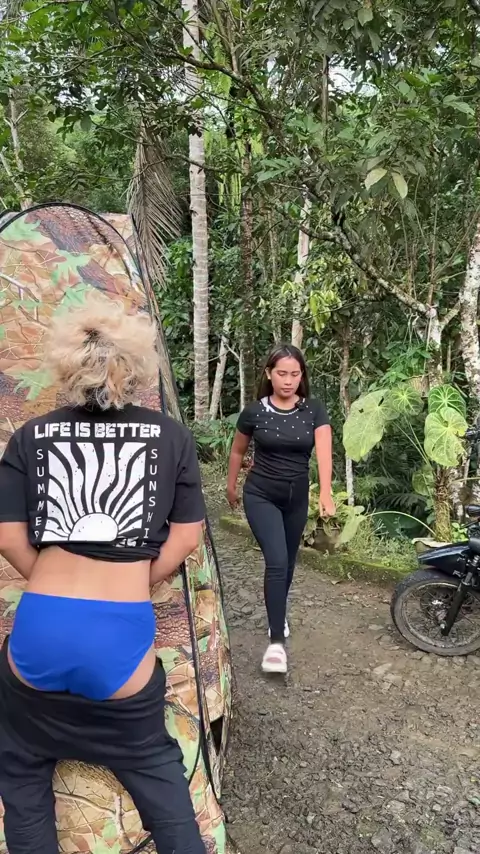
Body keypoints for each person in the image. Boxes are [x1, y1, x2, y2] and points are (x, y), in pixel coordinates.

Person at [0, 294, 207, 854]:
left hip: (41, 626)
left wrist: (48, 582)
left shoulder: (30, 436)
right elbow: (186, 537)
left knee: (21, 768)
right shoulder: (171, 437)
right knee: (156, 771)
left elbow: (8, 537)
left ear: (67, 366)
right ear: (138, 367)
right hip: (119, 631)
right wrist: (135, 581)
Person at [227, 344, 334, 675]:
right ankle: (276, 643)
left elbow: (324, 452)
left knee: (287, 562)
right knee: (276, 561)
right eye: (282, 373)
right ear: (269, 374)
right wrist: (231, 486)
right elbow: (237, 451)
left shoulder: (314, 410)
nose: (288, 381)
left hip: (296, 498)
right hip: (261, 494)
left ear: (302, 376)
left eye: (295, 374)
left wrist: (326, 492)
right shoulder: (254, 412)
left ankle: (277, 613)